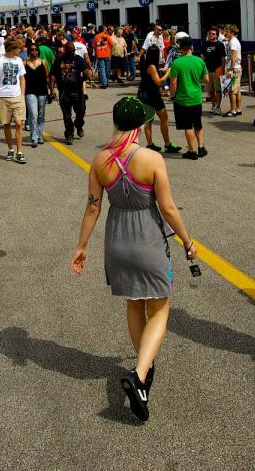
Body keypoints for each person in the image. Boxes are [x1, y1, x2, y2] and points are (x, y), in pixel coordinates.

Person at [71, 96, 198, 422]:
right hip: (148, 240)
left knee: (133, 303)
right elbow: (168, 208)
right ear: (141, 125)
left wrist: (81, 246)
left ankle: (145, 363)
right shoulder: (152, 158)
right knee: (159, 306)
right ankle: (141, 374)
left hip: (118, 241)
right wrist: (187, 240)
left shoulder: (100, 161)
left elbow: (93, 207)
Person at [168, 35, 209, 159]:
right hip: (196, 97)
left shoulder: (176, 63)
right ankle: (201, 147)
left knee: (187, 126)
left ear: (181, 49)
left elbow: (173, 82)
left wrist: (172, 95)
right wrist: (197, 81)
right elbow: (206, 79)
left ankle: (191, 151)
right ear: (191, 47)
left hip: (183, 99)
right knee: (198, 124)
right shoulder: (200, 61)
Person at [137, 45, 182, 154]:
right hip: (150, 95)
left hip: (146, 93)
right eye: (159, 53)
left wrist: (163, 70)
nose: (161, 55)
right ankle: (165, 144)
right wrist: (168, 73)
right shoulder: (152, 66)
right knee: (160, 118)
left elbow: (152, 76)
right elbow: (158, 81)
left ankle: (152, 143)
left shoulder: (146, 63)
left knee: (151, 120)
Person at [0, 37, 27, 164]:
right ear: (12, 48)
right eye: (19, 48)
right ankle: (10, 149)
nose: (20, 50)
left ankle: (19, 151)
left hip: (17, 97)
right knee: (6, 125)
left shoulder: (19, 61)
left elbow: (22, 78)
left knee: (18, 123)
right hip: (3, 97)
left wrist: (22, 95)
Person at [54, 40, 89, 144]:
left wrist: (88, 76)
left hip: (77, 91)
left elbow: (85, 70)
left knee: (81, 111)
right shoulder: (59, 60)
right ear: (66, 50)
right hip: (64, 92)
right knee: (67, 115)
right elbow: (53, 74)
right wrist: (51, 89)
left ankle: (78, 125)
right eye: (70, 50)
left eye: (74, 50)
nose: (73, 52)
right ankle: (69, 134)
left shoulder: (78, 59)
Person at [24, 43, 49, 148]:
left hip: (42, 91)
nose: (34, 52)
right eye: (32, 50)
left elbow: (47, 76)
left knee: (41, 114)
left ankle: (40, 134)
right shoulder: (24, 63)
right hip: (30, 92)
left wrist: (51, 90)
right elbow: (21, 78)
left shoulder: (43, 62)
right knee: (33, 114)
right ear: (29, 51)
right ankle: (34, 137)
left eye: (36, 50)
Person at [200, 28, 227, 115]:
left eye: (213, 34)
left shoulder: (220, 45)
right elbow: (202, 56)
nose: (211, 35)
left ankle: (218, 107)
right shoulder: (205, 44)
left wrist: (222, 70)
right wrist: (202, 69)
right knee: (210, 90)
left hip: (217, 70)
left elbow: (223, 58)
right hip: (207, 70)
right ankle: (213, 105)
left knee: (218, 90)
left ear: (217, 35)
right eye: (210, 33)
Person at [222, 25, 243, 117]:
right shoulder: (232, 41)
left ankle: (233, 110)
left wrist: (231, 69)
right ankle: (238, 108)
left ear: (232, 32)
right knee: (237, 90)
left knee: (232, 90)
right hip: (236, 67)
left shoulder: (233, 42)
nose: (225, 33)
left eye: (227, 31)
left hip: (234, 68)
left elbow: (234, 56)